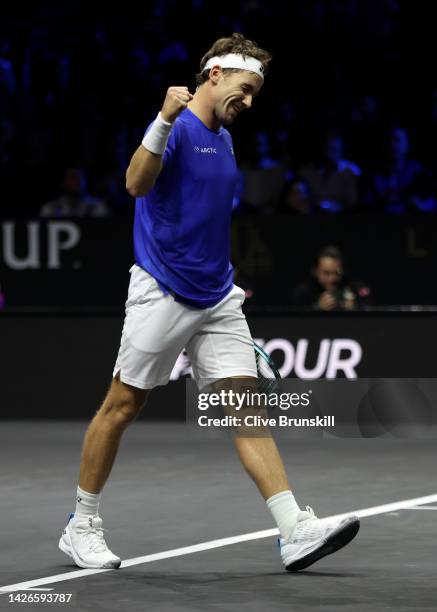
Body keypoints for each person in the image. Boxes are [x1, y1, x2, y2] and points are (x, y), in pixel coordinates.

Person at [59, 33, 359, 573]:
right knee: (123, 406)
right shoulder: (174, 127)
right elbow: (134, 184)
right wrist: (162, 119)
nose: (249, 101)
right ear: (214, 74)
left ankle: (294, 529)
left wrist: (225, 279)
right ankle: (81, 524)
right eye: (245, 89)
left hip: (217, 295)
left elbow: (202, 216)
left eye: (256, 93)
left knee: (246, 409)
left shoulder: (223, 138)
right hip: (163, 290)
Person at [293, 246, 371, 310]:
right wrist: (317, 307)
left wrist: (355, 308)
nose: (332, 279)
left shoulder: (353, 285)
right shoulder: (304, 291)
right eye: (326, 273)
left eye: (337, 273)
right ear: (315, 271)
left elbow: (368, 306)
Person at [39, 167, 108, 217]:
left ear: (86, 182)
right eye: (72, 178)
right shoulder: (50, 208)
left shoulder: (97, 206)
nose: (76, 182)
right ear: (63, 183)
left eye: (79, 178)